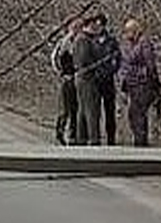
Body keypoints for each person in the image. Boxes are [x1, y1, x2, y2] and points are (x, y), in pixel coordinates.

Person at [118, 17, 161, 147]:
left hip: (143, 83)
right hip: (132, 84)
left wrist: (154, 82)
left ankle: (141, 142)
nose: (126, 35)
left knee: (138, 114)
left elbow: (151, 64)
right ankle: (139, 140)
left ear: (135, 30)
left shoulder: (144, 43)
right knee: (133, 115)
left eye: (128, 31)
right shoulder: (131, 45)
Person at [71, 15, 105, 147]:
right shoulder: (83, 40)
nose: (96, 28)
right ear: (88, 25)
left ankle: (82, 137)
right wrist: (96, 65)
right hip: (86, 78)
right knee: (91, 110)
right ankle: (93, 138)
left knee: (83, 109)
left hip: (81, 78)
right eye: (93, 25)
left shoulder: (81, 39)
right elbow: (85, 60)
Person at [89, 13, 121, 145]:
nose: (98, 27)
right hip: (96, 80)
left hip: (108, 80)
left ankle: (111, 138)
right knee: (95, 111)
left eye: (100, 25)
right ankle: (95, 138)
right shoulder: (92, 41)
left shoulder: (112, 41)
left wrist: (111, 71)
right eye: (96, 25)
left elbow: (117, 59)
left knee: (110, 111)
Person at [51, 16, 84, 145]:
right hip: (67, 78)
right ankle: (59, 132)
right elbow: (55, 59)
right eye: (74, 26)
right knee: (65, 109)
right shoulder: (64, 43)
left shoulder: (83, 41)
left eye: (79, 27)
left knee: (76, 108)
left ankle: (73, 135)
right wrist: (61, 73)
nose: (77, 29)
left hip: (78, 78)